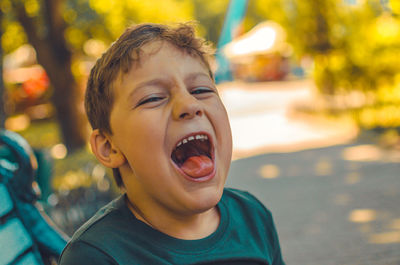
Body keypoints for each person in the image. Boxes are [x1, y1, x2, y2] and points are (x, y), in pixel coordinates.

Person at [59, 22, 285, 265]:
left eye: (200, 90)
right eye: (153, 98)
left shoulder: (253, 217)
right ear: (109, 147)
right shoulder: (97, 256)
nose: (189, 105)